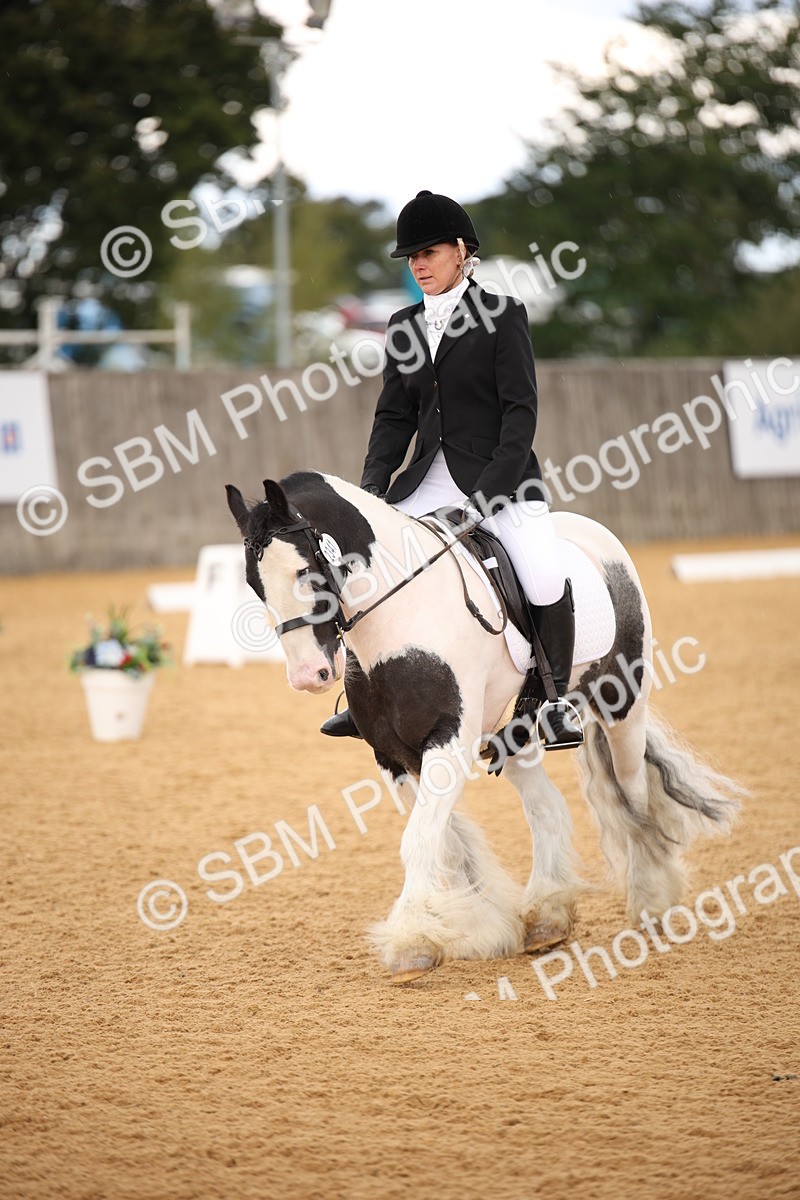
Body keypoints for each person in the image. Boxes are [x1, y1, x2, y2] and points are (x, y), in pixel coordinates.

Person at [321, 189, 583, 753]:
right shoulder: (404, 325)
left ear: (462, 251)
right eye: (411, 257)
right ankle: (361, 694)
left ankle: (554, 699)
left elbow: (520, 413)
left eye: (429, 253)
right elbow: (394, 416)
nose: (418, 265)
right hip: (427, 478)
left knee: (542, 575)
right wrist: (371, 491)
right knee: (368, 564)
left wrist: (488, 495)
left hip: (502, 478)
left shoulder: (503, 315)